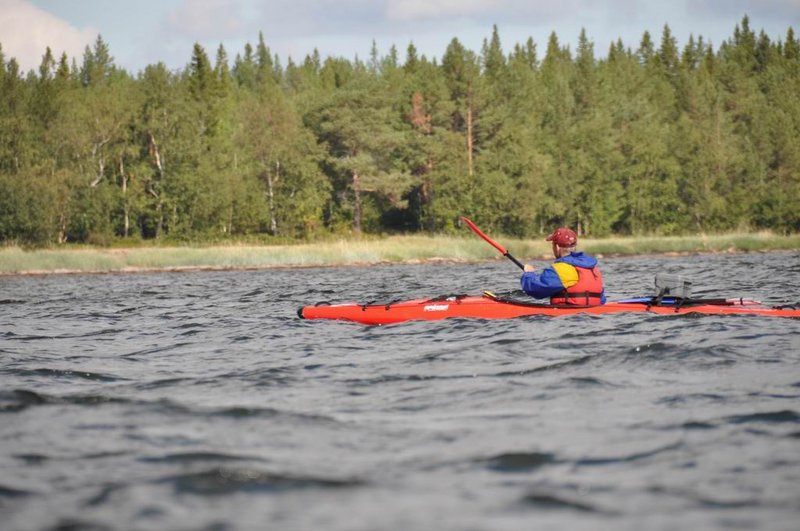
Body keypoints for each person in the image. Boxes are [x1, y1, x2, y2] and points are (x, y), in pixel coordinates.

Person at [520, 227, 606, 306]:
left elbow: (535, 290)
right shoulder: (593, 268)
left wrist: (529, 274)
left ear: (557, 247)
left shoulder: (562, 268)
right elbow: (602, 300)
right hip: (592, 313)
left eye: (553, 244)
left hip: (569, 317)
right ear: (575, 246)